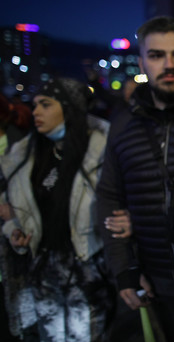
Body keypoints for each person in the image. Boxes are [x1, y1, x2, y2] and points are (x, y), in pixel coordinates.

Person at [95, 16, 174, 342]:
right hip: (155, 285)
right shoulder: (124, 123)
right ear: (141, 62)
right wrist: (124, 270)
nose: (169, 64)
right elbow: (108, 197)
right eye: (156, 55)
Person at [0, 77, 113, 341]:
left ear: (69, 107)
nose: (36, 112)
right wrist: (14, 230)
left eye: (46, 104)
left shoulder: (101, 152)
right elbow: (13, 208)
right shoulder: (25, 155)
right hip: (41, 271)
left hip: (88, 271)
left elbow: (116, 206)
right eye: (35, 104)